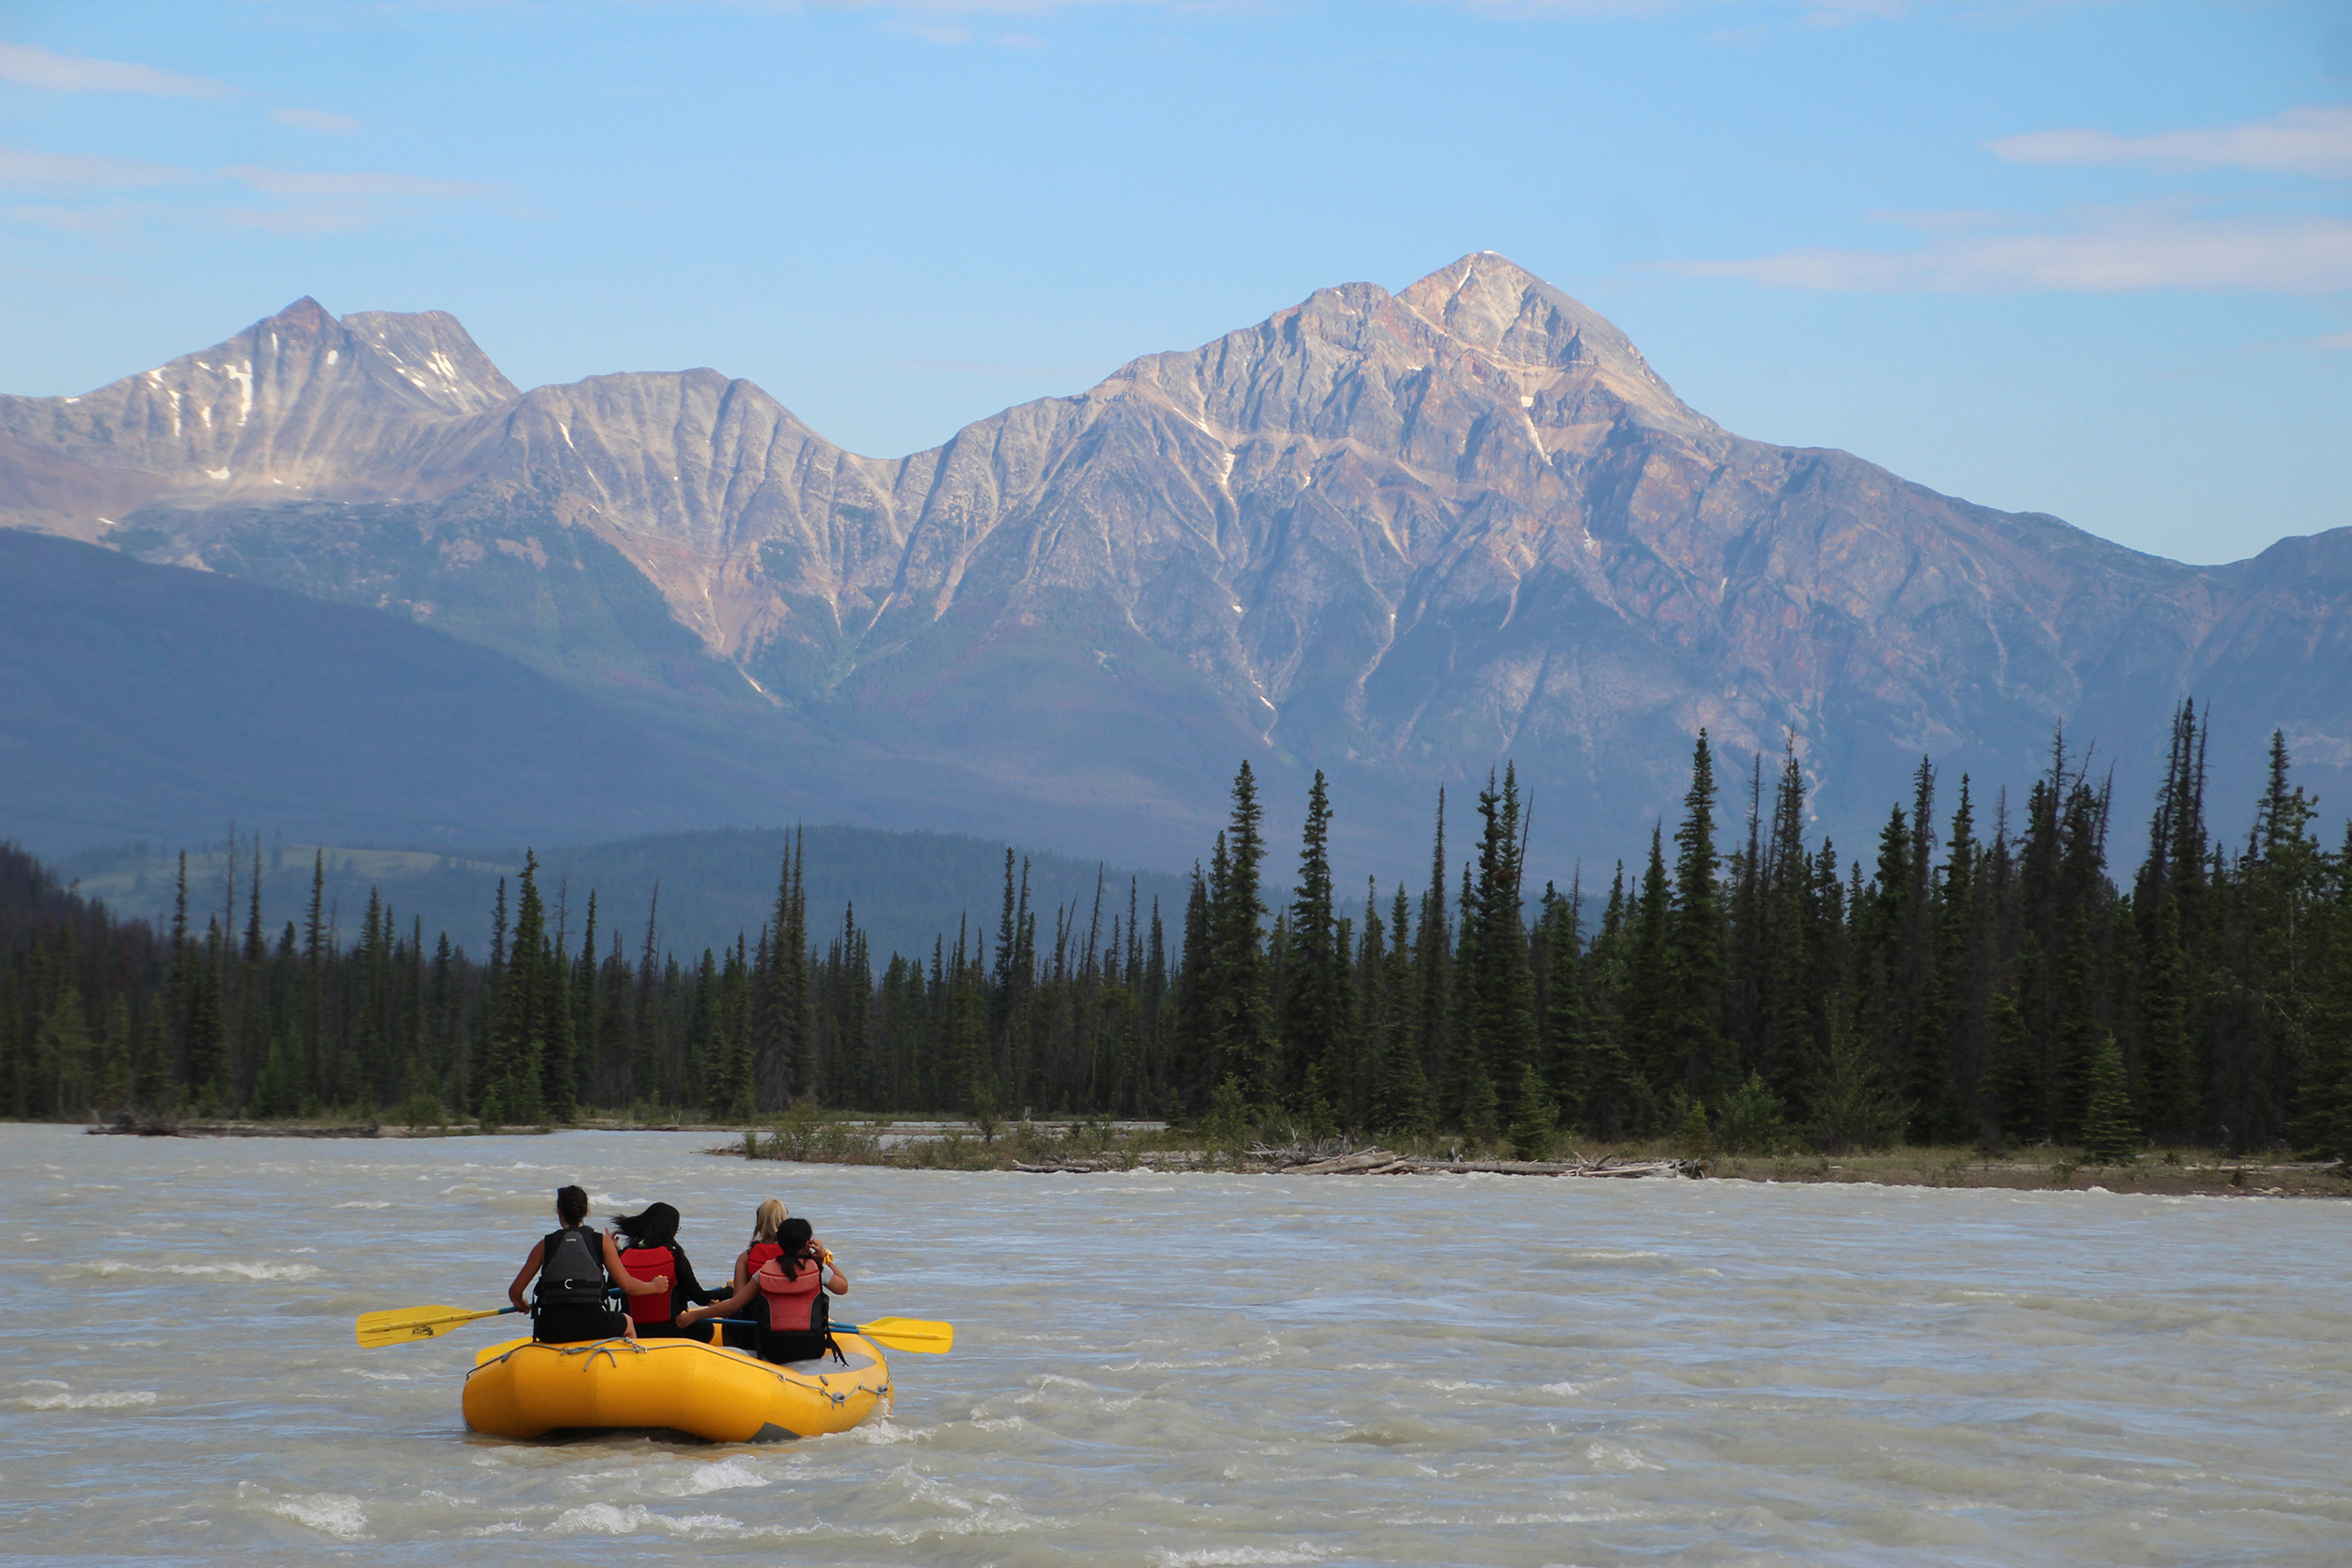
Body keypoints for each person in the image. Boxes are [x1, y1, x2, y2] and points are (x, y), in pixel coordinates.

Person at [507, 1184, 667, 1342]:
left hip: (551, 1329)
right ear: (586, 1212)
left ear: (559, 1212)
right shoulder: (602, 1242)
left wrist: (522, 1304)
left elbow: (515, 1291)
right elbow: (628, 1286)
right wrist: (654, 1286)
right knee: (629, 1323)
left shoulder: (544, 1245)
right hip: (594, 1325)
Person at [681, 1217, 848, 1365]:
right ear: (807, 1244)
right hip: (812, 1347)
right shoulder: (818, 1269)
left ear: (780, 1243)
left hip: (773, 1349)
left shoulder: (765, 1271)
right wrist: (823, 1259)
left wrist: (695, 1315)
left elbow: (734, 1305)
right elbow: (843, 1288)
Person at [610, 1201, 720, 1340]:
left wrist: (616, 1253)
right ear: (671, 1230)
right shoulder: (675, 1257)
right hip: (672, 1330)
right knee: (706, 1328)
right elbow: (701, 1298)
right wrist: (729, 1291)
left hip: (635, 1331)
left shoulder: (622, 1257)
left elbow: (613, 1293)